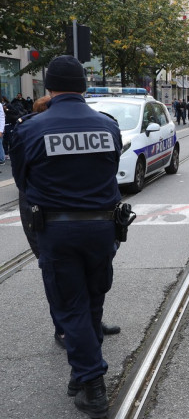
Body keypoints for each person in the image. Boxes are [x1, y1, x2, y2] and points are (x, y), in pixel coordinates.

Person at [10, 55, 125, 418]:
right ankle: (82, 371)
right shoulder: (107, 126)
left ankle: (92, 385)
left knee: (70, 307)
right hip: (103, 227)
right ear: (85, 87)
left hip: (57, 229)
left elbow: (22, 183)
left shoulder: (29, 128)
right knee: (92, 301)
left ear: (48, 87)